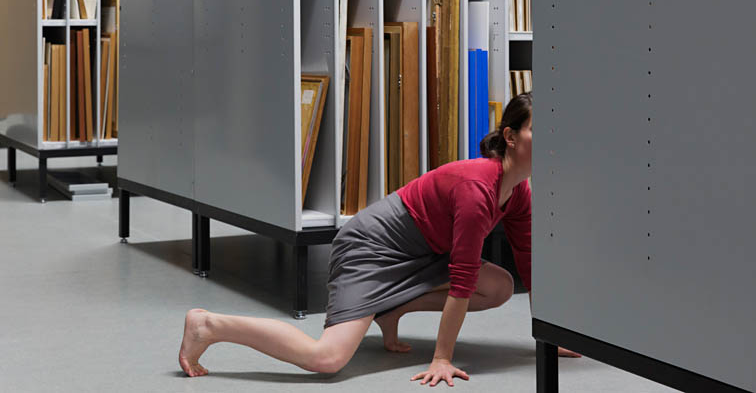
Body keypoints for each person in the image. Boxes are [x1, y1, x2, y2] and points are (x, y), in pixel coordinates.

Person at [179, 92, 576, 384]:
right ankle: (210, 325)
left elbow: (529, 263)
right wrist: (441, 358)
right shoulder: (478, 189)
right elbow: (461, 279)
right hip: (371, 247)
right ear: (510, 136)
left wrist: (549, 338)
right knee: (327, 358)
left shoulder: (517, 192)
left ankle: (390, 310)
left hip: (424, 252)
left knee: (500, 286)